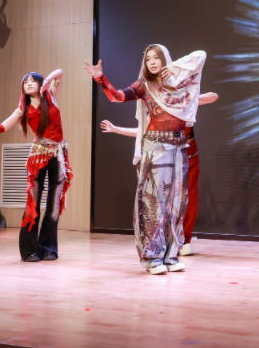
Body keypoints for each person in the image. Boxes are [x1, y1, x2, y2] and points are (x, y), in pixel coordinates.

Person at [85, 44, 205, 275]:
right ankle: (152, 258)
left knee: (176, 203)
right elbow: (117, 97)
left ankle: (170, 256)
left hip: (179, 146)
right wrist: (100, 78)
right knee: (154, 204)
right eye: (148, 58)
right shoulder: (144, 85)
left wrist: (176, 67)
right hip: (156, 146)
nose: (151, 62)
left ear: (165, 59)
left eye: (156, 57)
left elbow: (201, 55)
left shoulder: (180, 83)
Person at [0, 69, 72, 262]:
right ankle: (30, 250)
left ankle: (48, 248)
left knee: (54, 206)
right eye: (25, 82)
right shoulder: (22, 109)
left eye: (33, 80)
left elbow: (60, 72)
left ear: (40, 84)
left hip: (58, 156)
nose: (28, 83)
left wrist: (47, 80)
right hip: (38, 158)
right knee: (33, 204)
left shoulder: (51, 95)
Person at [100, 92, 219, 257]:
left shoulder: (184, 102)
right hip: (167, 157)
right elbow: (143, 131)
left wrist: (182, 99)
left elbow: (214, 96)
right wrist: (116, 129)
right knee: (164, 200)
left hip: (189, 156)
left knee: (189, 199)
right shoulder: (155, 106)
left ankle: (185, 240)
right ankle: (165, 242)